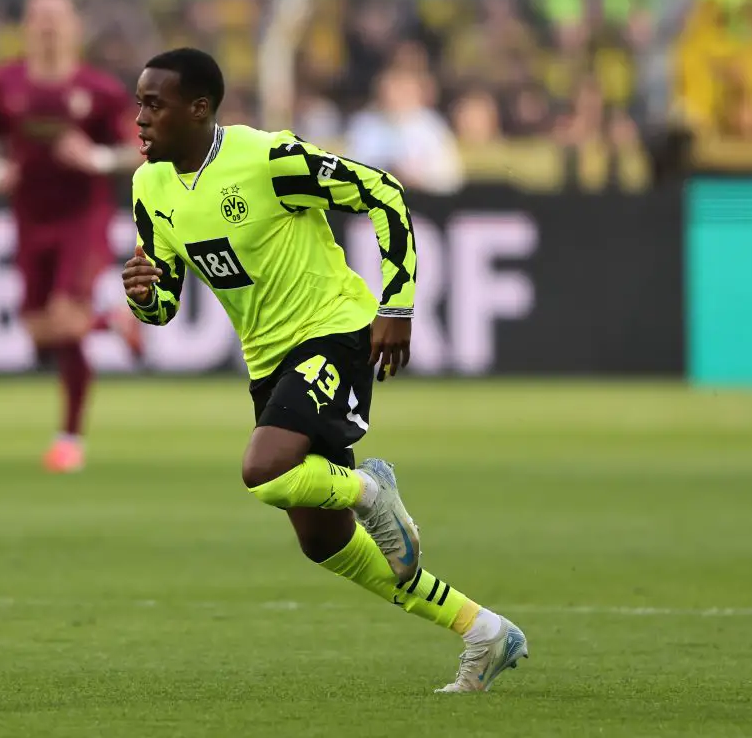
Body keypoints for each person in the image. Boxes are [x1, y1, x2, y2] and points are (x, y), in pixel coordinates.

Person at [120, 48, 529, 693]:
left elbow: (384, 192)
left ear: (198, 109)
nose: (140, 118)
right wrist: (144, 294)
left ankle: (370, 489)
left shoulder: (268, 160)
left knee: (263, 468)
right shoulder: (150, 187)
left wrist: (397, 306)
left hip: (334, 330)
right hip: (268, 361)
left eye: (154, 104)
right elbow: (164, 304)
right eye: (139, 103)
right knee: (324, 543)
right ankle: (483, 630)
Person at [0, 0, 145, 474]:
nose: (48, 25)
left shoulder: (100, 90)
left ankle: (69, 438)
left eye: (57, 17)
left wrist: (95, 158)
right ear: (26, 27)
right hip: (29, 219)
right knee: (39, 331)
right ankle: (112, 321)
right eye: (40, 17)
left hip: (81, 219)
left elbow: (138, 150)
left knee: (66, 318)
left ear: (75, 27)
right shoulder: (5, 83)